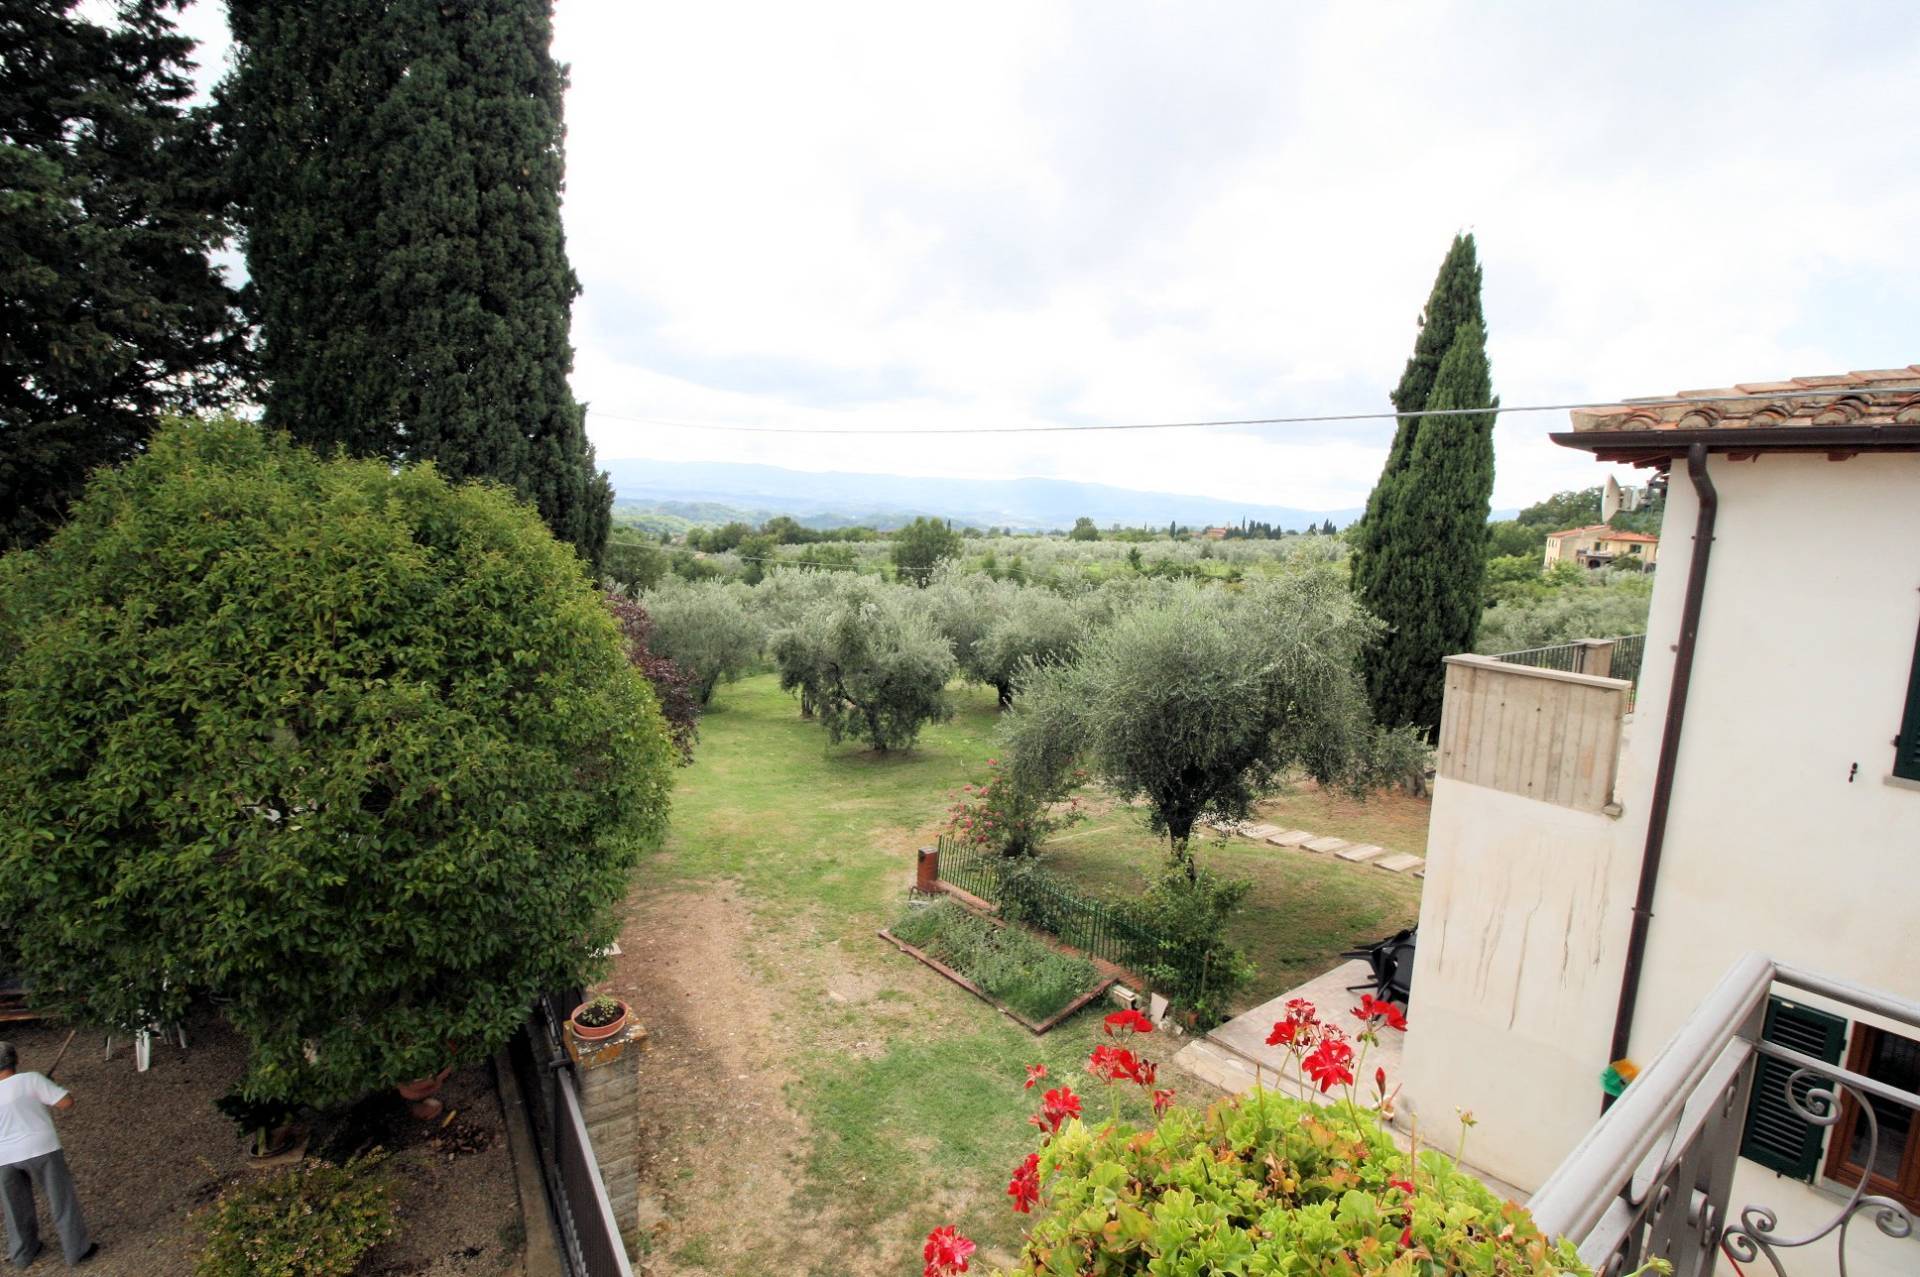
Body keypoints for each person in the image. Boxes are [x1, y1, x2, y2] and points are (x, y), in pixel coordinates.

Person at [0, 1041, 95, 1267]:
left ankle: (23, 1254)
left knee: (15, 1207)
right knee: (61, 1199)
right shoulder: (32, 1079)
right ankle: (76, 1251)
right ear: (15, 1060)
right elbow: (66, 1102)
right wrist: (47, 1088)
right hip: (42, 1148)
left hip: (4, 1156)